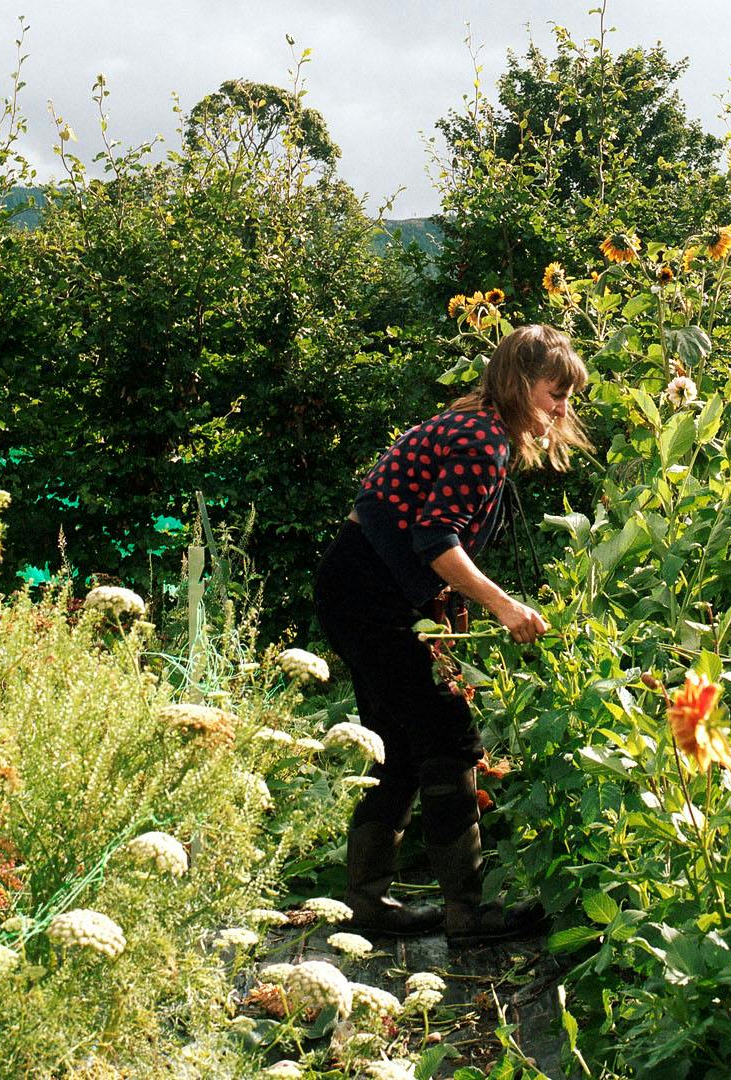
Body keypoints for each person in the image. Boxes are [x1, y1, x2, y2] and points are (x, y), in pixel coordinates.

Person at [313, 324, 592, 943]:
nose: (562, 411)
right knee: (449, 739)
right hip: (367, 597)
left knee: (398, 747)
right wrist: (504, 606)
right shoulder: (482, 440)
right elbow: (435, 539)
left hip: (357, 589)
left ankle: (368, 907)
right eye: (555, 394)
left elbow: (417, 535)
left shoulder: (470, 425)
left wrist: (444, 614)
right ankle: (467, 913)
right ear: (521, 386)